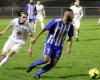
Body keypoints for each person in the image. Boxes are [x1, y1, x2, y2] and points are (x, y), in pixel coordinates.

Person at [26, 9, 74, 79]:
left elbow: (70, 38)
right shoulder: (56, 21)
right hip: (50, 43)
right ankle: (33, 65)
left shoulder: (70, 26)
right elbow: (44, 29)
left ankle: (38, 74)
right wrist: (35, 38)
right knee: (46, 59)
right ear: (67, 15)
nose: (73, 17)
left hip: (59, 46)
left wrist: (69, 47)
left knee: (53, 63)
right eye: (72, 15)